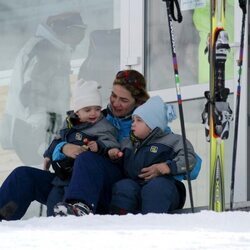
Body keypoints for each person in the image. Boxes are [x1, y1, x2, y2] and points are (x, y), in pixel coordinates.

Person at [0, 69, 149, 220]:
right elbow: (63, 136)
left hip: (108, 188)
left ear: (138, 102)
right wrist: (62, 148)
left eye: (123, 100)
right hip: (72, 179)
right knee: (23, 175)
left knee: (86, 158)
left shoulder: (146, 126)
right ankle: (2, 216)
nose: (116, 103)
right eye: (113, 96)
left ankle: (78, 207)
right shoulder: (94, 114)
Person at [0, 12, 86, 165]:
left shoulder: (53, 48)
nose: (78, 40)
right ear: (65, 30)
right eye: (77, 33)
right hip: (34, 132)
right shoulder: (44, 51)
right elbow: (32, 94)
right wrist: (41, 138)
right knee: (41, 176)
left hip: (43, 130)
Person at [108, 96, 197, 214]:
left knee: (156, 186)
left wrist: (167, 167)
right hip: (136, 187)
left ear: (152, 125)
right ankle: (121, 224)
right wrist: (113, 154)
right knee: (124, 186)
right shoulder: (128, 143)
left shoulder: (172, 140)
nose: (133, 124)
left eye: (139, 120)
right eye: (133, 120)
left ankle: (152, 224)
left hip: (165, 189)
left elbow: (189, 158)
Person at [44, 79, 120, 216]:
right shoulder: (68, 124)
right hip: (64, 175)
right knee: (53, 201)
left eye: (97, 109)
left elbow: (111, 142)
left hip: (84, 175)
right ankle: (53, 228)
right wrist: (48, 155)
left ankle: (79, 208)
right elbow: (57, 140)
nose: (93, 113)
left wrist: (100, 146)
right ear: (77, 111)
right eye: (87, 110)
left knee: (68, 193)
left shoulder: (103, 126)